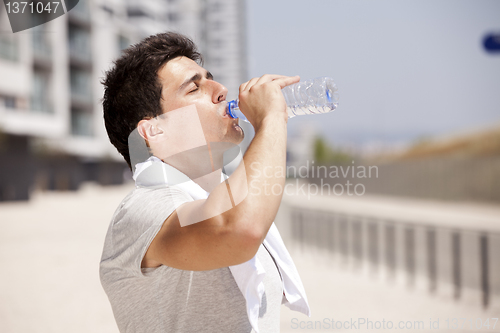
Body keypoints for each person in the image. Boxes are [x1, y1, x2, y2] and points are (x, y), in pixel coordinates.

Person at [99, 32, 310, 333]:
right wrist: (271, 120)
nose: (221, 89)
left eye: (211, 78)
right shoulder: (141, 211)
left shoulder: (231, 198)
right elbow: (239, 230)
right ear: (153, 131)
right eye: (194, 88)